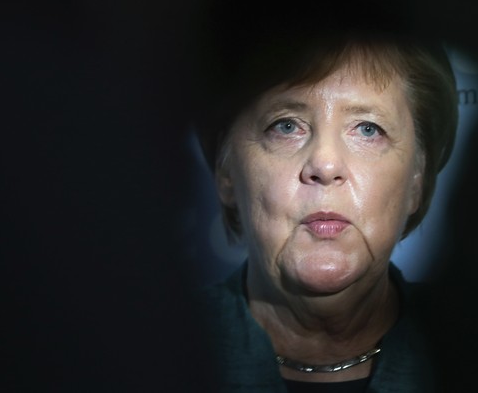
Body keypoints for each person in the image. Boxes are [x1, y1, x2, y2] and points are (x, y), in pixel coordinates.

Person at [194, 32, 458, 392]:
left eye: (368, 129)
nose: (325, 164)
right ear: (226, 171)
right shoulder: (136, 354)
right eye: (286, 126)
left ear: (417, 179)